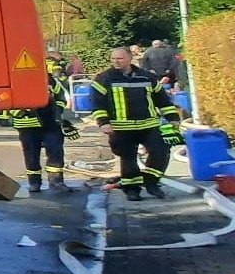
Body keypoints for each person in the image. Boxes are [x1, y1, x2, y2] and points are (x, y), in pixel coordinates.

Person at [90, 46, 185, 202]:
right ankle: (131, 190)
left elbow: (162, 99)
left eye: (119, 58)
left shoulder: (147, 77)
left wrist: (173, 118)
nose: (115, 62)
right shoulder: (104, 78)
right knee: (128, 159)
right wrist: (103, 122)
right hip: (121, 128)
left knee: (161, 151)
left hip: (148, 125)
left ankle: (151, 182)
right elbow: (97, 103)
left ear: (129, 58)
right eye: (113, 58)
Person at [11, 54, 78, 193]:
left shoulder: (49, 79)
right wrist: (24, 111)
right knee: (31, 155)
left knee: (55, 151)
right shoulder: (14, 80)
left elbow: (60, 97)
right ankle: (34, 183)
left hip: (50, 124)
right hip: (27, 125)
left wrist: (57, 112)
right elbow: (8, 104)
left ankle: (56, 182)